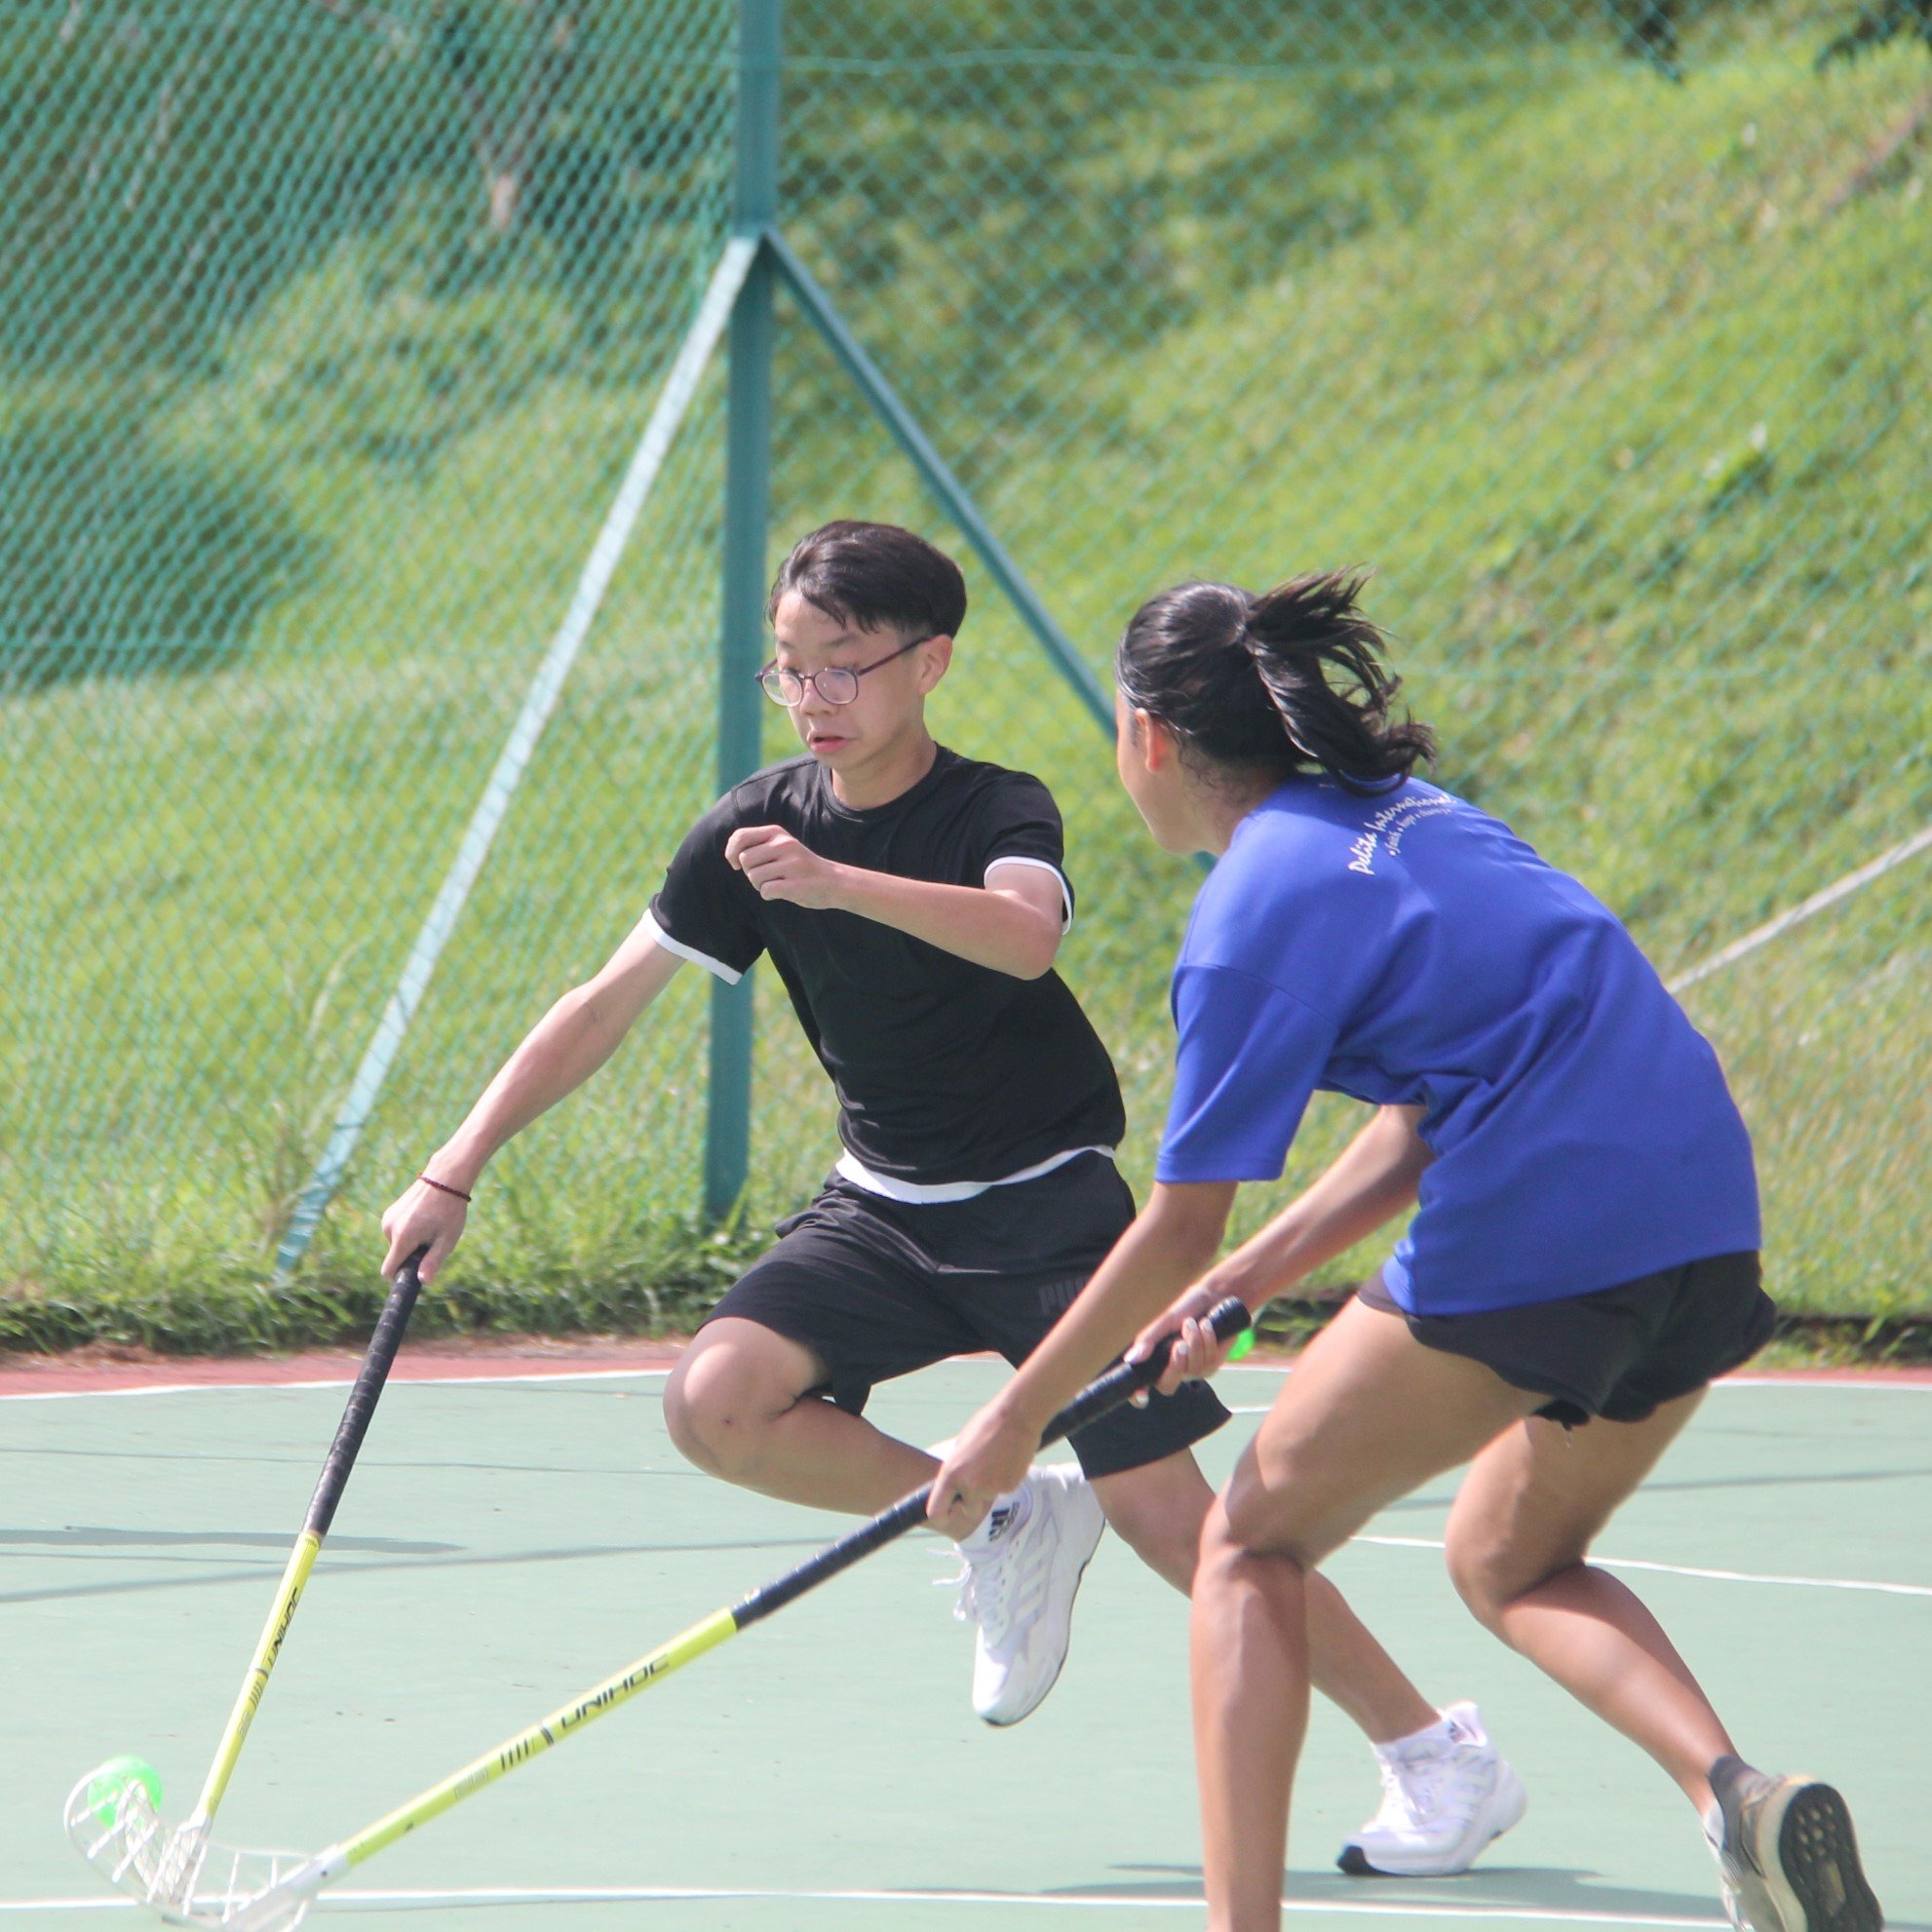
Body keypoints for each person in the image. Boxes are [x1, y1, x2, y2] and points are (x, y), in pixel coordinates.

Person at [379, 522, 1522, 1874]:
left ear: (929, 663)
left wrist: (836, 883)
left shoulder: (995, 806)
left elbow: (1023, 933)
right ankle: (1011, 1515)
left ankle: (1435, 1755)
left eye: (842, 668)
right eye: (788, 670)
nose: (812, 700)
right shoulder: (750, 826)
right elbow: (600, 1007)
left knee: (1181, 1522)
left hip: (1050, 1211)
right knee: (715, 1402)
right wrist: (456, 1164)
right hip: (882, 1210)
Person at [928, 569, 1883, 1932]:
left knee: (1250, 1545)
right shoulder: (1415, 819)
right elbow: (1417, 1122)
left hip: (1542, 1216)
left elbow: (1175, 1219)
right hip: (1700, 1212)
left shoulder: (1244, 917)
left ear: (1146, 735)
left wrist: (1010, 1422)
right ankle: (1735, 1797)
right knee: (1509, 1558)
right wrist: (1243, 1285)